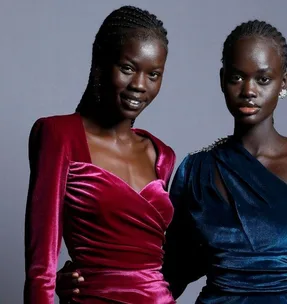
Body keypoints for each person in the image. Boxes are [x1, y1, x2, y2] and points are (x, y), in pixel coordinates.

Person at [57, 20, 287, 304]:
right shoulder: (196, 171)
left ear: (283, 83)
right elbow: (166, 274)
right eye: (236, 77)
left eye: (263, 79)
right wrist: (91, 280)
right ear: (222, 80)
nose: (248, 90)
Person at [24, 6, 176, 304]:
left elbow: (157, 259)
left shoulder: (162, 154)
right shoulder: (59, 135)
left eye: (153, 74)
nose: (140, 86)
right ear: (101, 63)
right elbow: (40, 269)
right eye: (128, 68)